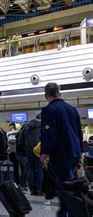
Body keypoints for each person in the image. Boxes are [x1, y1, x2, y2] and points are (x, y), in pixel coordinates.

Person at [40, 83, 83, 217]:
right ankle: (67, 212)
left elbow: (49, 134)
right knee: (69, 185)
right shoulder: (72, 109)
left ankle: (66, 212)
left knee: (65, 187)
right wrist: (80, 152)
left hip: (60, 154)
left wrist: (45, 153)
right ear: (60, 93)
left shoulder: (49, 110)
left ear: (46, 96)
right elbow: (79, 133)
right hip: (74, 152)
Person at [19, 113, 43, 196]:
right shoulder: (42, 125)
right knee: (40, 168)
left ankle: (32, 189)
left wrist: (26, 148)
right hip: (39, 150)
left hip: (28, 151)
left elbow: (20, 139)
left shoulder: (26, 126)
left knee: (30, 169)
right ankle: (39, 189)